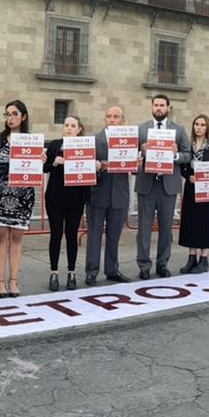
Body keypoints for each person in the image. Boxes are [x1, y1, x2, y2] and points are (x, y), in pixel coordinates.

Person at [136, 94, 192, 279]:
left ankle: (162, 264)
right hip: (147, 184)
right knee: (144, 228)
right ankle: (144, 265)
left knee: (166, 228)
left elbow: (188, 155)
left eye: (162, 105)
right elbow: (132, 154)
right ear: (151, 107)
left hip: (168, 185)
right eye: (156, 105)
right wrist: (141, 153)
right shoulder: (141, 129)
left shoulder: (178, 129)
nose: (158, 108)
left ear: (169, 108)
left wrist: (176, 155)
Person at [0, 100, 35, 297]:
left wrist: (41, 160)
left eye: (14, 114)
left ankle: (13, 281)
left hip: (23, 195)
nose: (10, 118)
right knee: (0, 237)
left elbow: (36, 169)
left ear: (23, 117)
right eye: (7, 114)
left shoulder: (31, 140)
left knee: (16, 237)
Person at [43, 115, 91, 291]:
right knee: (56, 235)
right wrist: (54, 163)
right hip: (55, 197)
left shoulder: (86, 146)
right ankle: (53, 272)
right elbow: (43, 167)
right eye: (67, 125)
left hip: (76, 198)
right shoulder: (55, 145)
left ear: (79, 129)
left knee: (72, 235)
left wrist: (93, 164)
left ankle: (71, 273)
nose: (69, 128)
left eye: (73, 126)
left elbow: (90, 170)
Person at [85, 106, 131, 285]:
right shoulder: (94, 140)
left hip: (119, 194)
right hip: (98, 193)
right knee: (94, 234)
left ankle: (112, 269)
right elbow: (86, 166)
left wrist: (139, 161)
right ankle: (91, 271)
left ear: (123, 120)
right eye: (109, 116)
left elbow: (134, 169)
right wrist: (97, 167)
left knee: (114, 235)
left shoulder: (129, 140)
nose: (111, 119)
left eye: (116, 116)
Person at [178, 114, 209, 274]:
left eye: (202, 125)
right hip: (191, 187)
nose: (199, 127)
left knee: (205, 221)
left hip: (207, 189)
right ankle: (191, 258)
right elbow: (182, 166)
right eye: (196, 124)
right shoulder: (188, 145)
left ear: (207, 128)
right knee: (191, 221)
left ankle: (204, 258)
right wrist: (189, 176)